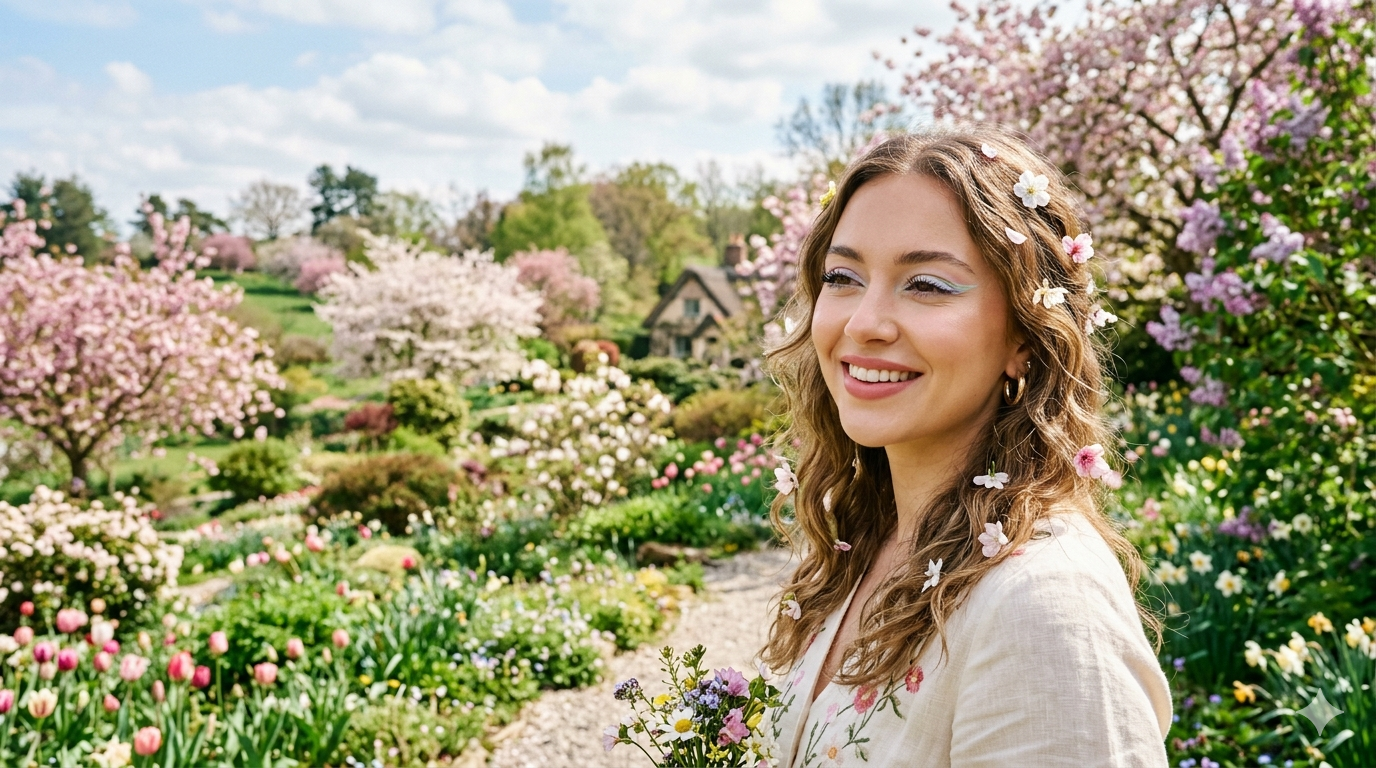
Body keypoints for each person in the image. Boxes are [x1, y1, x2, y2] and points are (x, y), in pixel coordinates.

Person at [759, 128, 1172, 767]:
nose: (863, 322)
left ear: (1024, 339)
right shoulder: (870, 548)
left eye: (926, 284)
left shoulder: (1043, 606)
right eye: (842, 276)